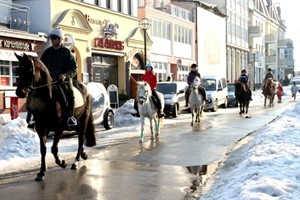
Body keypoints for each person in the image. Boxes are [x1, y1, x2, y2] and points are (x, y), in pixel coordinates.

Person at [41, 27, 78, 128]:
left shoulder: (67, 52)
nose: (52, 40)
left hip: (63, 80)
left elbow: (74, 68)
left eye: (54, 38)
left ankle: (70, 117)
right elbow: (42, 67)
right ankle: (34, 118)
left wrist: (65, 75)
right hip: (50, 81)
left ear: (60, 39)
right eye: (51, 38)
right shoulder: (47, 52)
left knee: (70, 92)